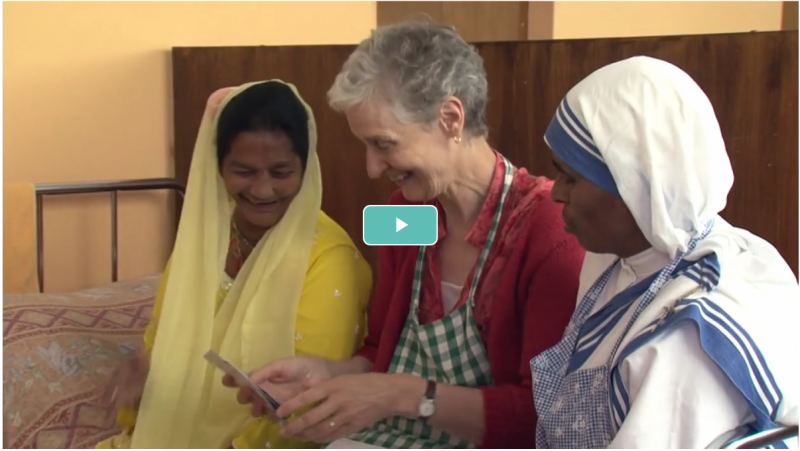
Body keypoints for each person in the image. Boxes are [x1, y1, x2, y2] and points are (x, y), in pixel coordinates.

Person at [231, 21, 585, 449]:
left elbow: (541, 416)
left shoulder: (549, 227)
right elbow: (383, 348)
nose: (372, 168)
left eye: (384, 144)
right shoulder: (401, 215)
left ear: (451, 119)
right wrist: (326, 374)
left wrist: (400, 395)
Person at [531, 55, 799, 448]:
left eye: (571, 177)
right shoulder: (613, 258)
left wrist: (426, 400)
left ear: (638, 186)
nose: (556, 192)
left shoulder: (690, 335)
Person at [96, 80, 373, 449]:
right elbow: (160, 346)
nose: (262, 190)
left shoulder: (327, 259)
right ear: (218, 167)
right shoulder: (201, 245)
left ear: (306, 169)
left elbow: (302, 405)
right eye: (244, 171)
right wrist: (145, 374)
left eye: (280, 172)